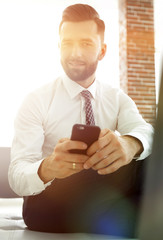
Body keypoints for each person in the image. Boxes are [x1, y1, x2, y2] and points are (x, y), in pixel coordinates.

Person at [8, 3, 153, 238]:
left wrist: (129, 144)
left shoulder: (117, 99)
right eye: (67, 43)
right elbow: (17, 174)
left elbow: (145, 130)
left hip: (104, 199)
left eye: (86, 43)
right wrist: (48, 168)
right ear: (58, 46)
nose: (75, 53)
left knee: (148, 159)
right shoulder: (36, 100)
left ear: (102, 50)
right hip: (52, 202)